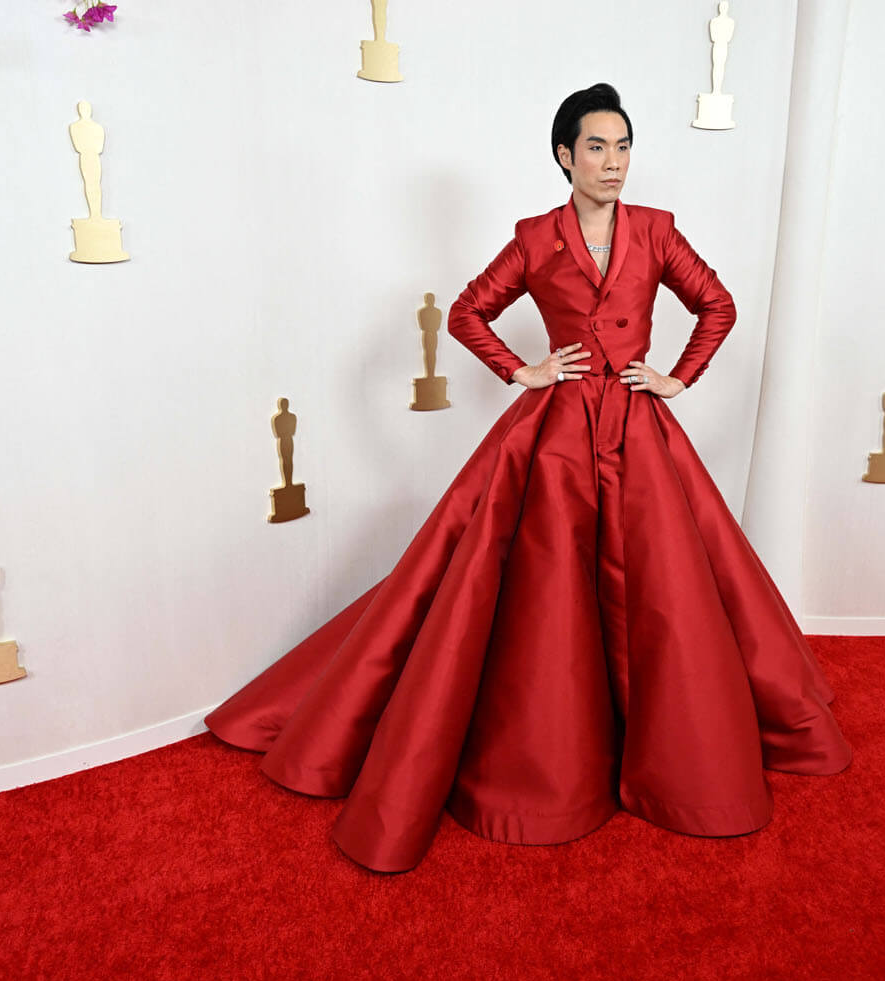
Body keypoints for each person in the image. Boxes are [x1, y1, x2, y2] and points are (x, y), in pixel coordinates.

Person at [205, 83, 851, 873]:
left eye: (622, 148)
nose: (612, 164)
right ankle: (549, 755)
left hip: (638, 430)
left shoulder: (657, 231)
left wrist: (678, 376)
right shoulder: (534, 237)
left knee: (666, 590)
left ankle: (674, 752)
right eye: (595, 148)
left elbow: (716, 303)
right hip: (553, 440)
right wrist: (525, 370)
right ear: (564, 156)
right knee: (539, 590)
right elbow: (468, 311)